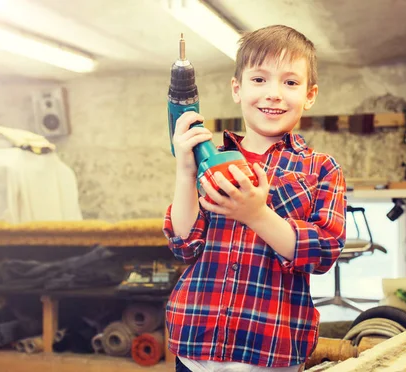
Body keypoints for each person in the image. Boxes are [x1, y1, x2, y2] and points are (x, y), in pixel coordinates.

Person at [163, 24, 347, 371]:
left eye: (290, 82)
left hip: (272, 351)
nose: (274, 93)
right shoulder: (208, 159)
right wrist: (185, 172)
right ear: (238, 88)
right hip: (195, 347)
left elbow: (323, 252)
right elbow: (184, 244)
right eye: (259, 79)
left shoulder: (321, 169)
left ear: (310, 94)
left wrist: (256, 214)